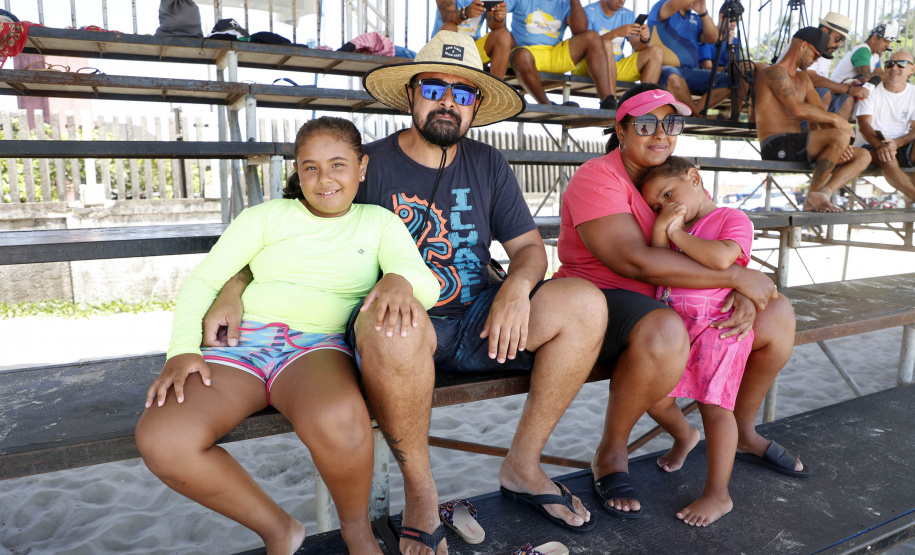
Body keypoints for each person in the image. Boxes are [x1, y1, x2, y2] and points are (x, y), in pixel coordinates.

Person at [203, 31, 608, 555]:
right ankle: (422, 495)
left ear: (475, 106)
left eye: (462, 94)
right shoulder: (362, 164)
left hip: (480, 317)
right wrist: (233, 287)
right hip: (395, 329)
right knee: (395, 326)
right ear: (412, 94)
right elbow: (277, 235)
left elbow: (530, 248)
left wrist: (517, 287)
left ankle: (523, 465)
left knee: (584, 303)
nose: (447, 102)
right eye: (434, 88)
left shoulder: (488, 163)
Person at [135, 117, 440, 555]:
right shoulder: (266, 217)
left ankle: (356, 532)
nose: (325, 178)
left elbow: (423, 283)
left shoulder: (378, 223)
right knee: (163, 439)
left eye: (338, 164)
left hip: (315, 348)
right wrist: (182, 350)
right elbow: (204, 280)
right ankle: (279, 529)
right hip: (240, 344)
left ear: (362, 168)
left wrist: (400, 280)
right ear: (296, 172)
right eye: (310, 167)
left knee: (339, 418)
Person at [553, 83, 803, 520]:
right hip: (608, 302)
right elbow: (637, 262)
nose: (660, 133)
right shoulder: (598, 175)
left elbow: (716, 238)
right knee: (664, 333)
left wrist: (743, 288)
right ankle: (612, 452)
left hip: (678, 304)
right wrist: (735, 276)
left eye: (671, 122)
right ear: (622, 128)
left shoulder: (667, 178)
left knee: (779, 313)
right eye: (646, 123)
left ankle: (744, 431)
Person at [639, 156, 757, 527]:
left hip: (721, 328)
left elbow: (723, 259)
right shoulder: (676, 227)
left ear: (694, 177)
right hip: (678, 327)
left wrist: (675, 234)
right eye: (657, 205)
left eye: (669, 194)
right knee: (655, 398)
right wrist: (664, 228)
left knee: (715, 409)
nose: (666, 207)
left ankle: (718, 494)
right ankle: (684, 436)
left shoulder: (730, 219)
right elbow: (656, 263)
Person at [755, 27, 871, 212]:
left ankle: (823, 193)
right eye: (816, 55)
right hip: (776, 146)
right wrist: (837, 122)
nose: (815, 61)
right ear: (803, 46)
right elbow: (797, 109)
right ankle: (813, 195)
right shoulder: (774, 72)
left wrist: (842, 145)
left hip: (800, 146)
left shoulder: (803, 78)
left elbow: (819, 114)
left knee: (863, 155)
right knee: (839, 134)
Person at [505, 0, 619, 109]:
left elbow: (580, 30)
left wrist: (575, 1)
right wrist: (507, 36)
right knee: (521, 56)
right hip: (527, 52)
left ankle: (607, 100)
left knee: (592, 37)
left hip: (554, 54)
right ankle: (547, 105)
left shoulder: (565, 2)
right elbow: (497, 12)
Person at [646, 0, 731, 115]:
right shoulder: (662, 5)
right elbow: (674, 5)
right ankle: (696, 115)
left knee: (730, 80)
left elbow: (713, 38)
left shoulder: (695, 18)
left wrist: (703, 12)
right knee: (673, 77)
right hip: (664, 70)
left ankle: (697, 112)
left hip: (689, 72)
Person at [855, 50, 915, 203]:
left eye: (901, 64)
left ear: (912, 70)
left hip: (899, 144)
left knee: (890, 152)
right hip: (870, 145)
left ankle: (910, 201)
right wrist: (880, 145)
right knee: (887, 155)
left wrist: (897, 143)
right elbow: (864, 125)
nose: (894, 67)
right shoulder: (871, 89)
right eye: (889, 64)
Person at [576, 0, 663, 94]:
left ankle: (646, 103)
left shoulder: (627, 14)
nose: (622, 1)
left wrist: (644, 39)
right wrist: (616, 33)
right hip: (591, 66)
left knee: (656, 51)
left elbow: (638, 48)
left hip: (617, 66)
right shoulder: (589, 11)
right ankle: (610, 101)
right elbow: (585, 46)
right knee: (607, 44)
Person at [434, 0, 514, 78]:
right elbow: (446, 18)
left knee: (503, 35)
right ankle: (442, 83)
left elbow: (494, 25)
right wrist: (466, 12)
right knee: (449, 27)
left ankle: (495, 89)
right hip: (445, 48)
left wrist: (498, 17)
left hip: (472, 49)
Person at [831, 21, 900, 85]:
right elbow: (865, 80)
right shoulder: (863, 51)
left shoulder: (875, 55)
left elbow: (882, 76)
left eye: (889, 42)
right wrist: (875, 76)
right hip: (837, 92)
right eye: (885, 41)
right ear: (874, 39)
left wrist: (874, 76)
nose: (887, 46)